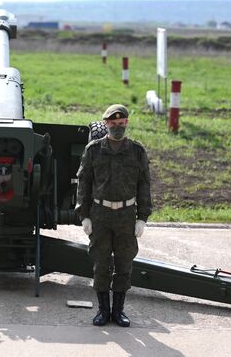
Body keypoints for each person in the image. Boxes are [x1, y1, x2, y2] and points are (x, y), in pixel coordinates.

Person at [75, 104, 152, 327]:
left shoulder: (137, 151)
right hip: (100, 214)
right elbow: (84, 182)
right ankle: (103, 311)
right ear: (105, 123)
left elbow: (144, 185)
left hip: (126, 215)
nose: (117, 127)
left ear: (126, 123)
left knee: (124, 264)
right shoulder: (94, 150)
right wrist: (84, 215)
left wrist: (142, 218)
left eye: (121, 124)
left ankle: (118, 311)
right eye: (113, 123)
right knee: (100, 263)